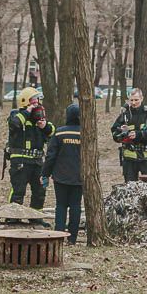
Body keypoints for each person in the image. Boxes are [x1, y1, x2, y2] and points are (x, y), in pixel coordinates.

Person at [6, 86, 54, 210]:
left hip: (37, 162)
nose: (36, 103)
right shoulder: (16, 115)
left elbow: (52, 132)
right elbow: (14, 124)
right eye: (33, 100)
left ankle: (36, 217)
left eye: (37, 100)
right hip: (20, 161)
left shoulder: (39, 118)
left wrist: (44, 126)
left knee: (39, 192)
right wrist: (27, 112)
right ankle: (12, 216)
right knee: (18, 190)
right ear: (26, 101)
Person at [42, 102, 82, 244]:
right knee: (76, 206)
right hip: (79, 177)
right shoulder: (85, 133)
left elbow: (51, 156)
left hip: (60, 177)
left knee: (61, 206)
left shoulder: (59, 132)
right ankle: (72, 238)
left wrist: (45, 173)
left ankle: (58, 236)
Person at [110, 88, 147, 182]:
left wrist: (139, 135)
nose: (133, 103)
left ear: (142, 98)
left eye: (136, 100)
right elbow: (114, 132)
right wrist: (121, 135)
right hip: (129, 159)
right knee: (129, 189)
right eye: (131, 100)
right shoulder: (125, 114)